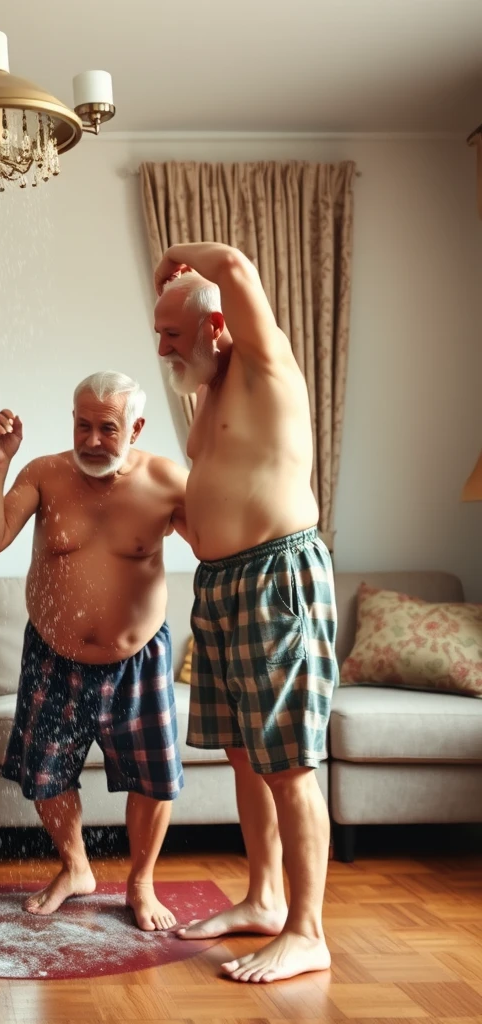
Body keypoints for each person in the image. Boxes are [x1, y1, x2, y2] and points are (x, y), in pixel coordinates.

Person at [153, 243, 337, 983]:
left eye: (171, 334)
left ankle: (307, 930)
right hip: (222, 584)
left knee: (288, 766)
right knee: (242, 754)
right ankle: (262, 898)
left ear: (217, 326)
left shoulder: (270, 368)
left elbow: (232, 263)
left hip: (276, 578)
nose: (162, 348)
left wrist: (177, 258)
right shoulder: (205, 398)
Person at [0, 372, 188, 930]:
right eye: (82, 425)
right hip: (53, 654)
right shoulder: (44, 473)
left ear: (136, 427)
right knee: (45, 773)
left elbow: (219, 543)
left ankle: (140, 884)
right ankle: (76, 868)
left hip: (138, 659)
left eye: (108, 428)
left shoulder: (167, 480)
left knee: (153, 777)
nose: (92, 440)